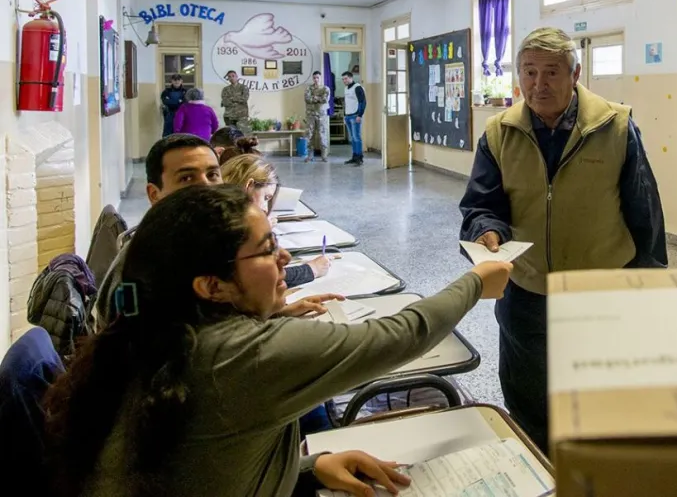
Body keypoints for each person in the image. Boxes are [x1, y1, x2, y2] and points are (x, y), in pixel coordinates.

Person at [45, 185, 513, 497]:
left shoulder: (152, 332)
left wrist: (308, 469)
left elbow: (205, 465)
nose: (285, 255)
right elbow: (400, 335)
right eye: (267, 248)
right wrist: (475, 281)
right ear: (211, 286)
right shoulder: (243, 355)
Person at [459, 27, 668, 453]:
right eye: (529, 72)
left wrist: (650, 286)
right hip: (527, 290)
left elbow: (645, 214)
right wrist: (486, 230)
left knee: (600, 394)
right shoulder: (499, 132)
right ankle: (543, 471)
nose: (538, 84)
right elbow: (480, 205)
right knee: (528, 397)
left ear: (575, 74)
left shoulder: (616, 126)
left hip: (599, 292)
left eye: (551, 72)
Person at [92, 134, 327, 330]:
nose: (206, 186)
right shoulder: (151, 261)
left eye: (213, 175)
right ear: (154, 194)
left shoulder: (193, 238)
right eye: (187, 178)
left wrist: (276, 314)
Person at [220, 153, 331, 287]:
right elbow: (261, 279)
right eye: (266, 198)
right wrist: (312, 269)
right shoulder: (228, 230)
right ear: (249, 186)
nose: (266, 209)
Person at [303, 70, 331, 163]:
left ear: (320, 78)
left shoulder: (325, 88)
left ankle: (324, 156)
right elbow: (307, 99)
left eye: (317, 77)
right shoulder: (309, 88)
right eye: (314, 78)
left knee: (322, 134)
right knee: (309, 135)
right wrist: (318, 99)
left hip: (321, 115)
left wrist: (314, 98)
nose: (316, 79)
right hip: (311, 115)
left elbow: (325, 99)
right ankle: (310, 156)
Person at [342, 71, 366, 166]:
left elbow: (363, 102)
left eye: (346, 78)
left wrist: (360, 115)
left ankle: (359, 158)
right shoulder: (346, 89)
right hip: (348, 116)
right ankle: (354, 156)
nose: (344, 80)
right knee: (352, 138)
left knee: (357, 137)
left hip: (355, 116)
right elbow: (347, 103)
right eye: (343, 79)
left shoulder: (358, 87)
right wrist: (345, 115)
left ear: (351, 78)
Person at [220, 70, 250, 134]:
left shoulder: (243, 87)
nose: (231, 78)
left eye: (233, 76)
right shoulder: (225, 89)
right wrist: (237, 100)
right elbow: (225, 102)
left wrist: (231, 98)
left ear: (236, 77)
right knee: (231, 136)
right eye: (229, 77)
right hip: (229, 116)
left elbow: (244, 99)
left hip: (242, 116)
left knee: (243, 135)